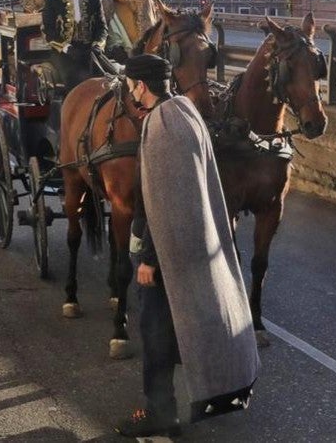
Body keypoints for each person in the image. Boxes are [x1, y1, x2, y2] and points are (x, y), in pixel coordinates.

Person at [117, 54, 259, 438]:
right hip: (187, 251)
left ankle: (160, 414)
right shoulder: (184, 109)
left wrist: (148, 258)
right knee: (181, 329)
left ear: (140, 86)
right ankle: (182, 403)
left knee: (156, 334)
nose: (131, 93)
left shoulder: (161, 125)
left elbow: (162, 198)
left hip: (166, 256)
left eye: (131, 86)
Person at [42, 0, 112, 86]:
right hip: (63, 53)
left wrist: (98, 45)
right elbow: (48, 31)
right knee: (73, 77)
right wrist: (66, 48)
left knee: (109, 78)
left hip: (89, 50)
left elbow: (102, 27)